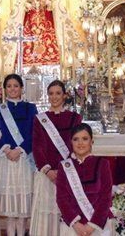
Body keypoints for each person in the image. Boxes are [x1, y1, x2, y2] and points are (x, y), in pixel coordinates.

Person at [30, 80, 83, 236]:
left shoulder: (75, 118)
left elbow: (77, 145)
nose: (54, 97)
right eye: (51, 94)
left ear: (64, 95)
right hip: (46, 174)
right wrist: (47, 170)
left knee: (66, 211)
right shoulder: (40, 119)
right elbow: (37, 146)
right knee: (47, 212)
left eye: (58, 93)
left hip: (68, 173)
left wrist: (64, 170)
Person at [0, 74, 38, 236]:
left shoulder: (31, 108)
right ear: (5, 89)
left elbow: (35, 133)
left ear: (21, 88)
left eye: (16, 86)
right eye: (9, 86)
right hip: (6, 160)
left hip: (24, 159)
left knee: (23, 211)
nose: (12, 89)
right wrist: (5, 149)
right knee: (10, 212)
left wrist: (20, 149)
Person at [56, 123, 114, 236]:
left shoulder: (103, 164)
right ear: (71, 142)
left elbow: (106, 198)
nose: (80, 143)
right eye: (76, 139)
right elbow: (61, 198)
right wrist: (76, 224)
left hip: (98, 224)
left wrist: (92, 225)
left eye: (85, 139)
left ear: (92, 141)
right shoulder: (64, 166)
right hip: (73, 225)